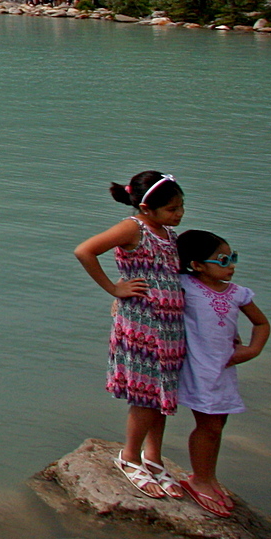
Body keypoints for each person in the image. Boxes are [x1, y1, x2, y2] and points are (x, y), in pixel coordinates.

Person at [73, 171, 188, 498]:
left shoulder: (166, 232)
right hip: (142, 323)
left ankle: (153, 457)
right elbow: (85, 251)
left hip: (170, 326)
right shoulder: (132, 228)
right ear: (146, 208)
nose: (179, 214)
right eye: (171, 209)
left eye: (181, 206)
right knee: (145, 394)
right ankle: (130, 456)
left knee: (163, 394)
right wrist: (114, 288)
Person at [172, 229, 271, 517]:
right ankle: (199, 479)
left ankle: (208, 477)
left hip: (224, 368)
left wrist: (252, 350)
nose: (231, 265)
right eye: (223, 260)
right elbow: (150, 286)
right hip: (199, 368)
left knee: (218, 426)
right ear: (197, 265)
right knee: (208, 426)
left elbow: (261, 324)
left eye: (232, 257)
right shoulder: (185, 285)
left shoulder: (238, 293)